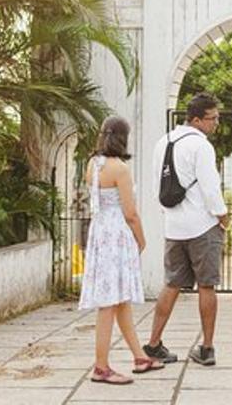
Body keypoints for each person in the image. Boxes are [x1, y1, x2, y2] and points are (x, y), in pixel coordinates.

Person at [143, 92, 229, 366]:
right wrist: (222, 215)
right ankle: (206, 348)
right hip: (202, 226)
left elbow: (158, 183)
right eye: (212, 118)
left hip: (174, 226)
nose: (216, 123)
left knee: (171, 284)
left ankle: (154, 344)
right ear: (195, 119)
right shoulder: (201, 146)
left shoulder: (162, 142)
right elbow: (210, 186)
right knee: (207, 285)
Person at [78, 116, 165, 385]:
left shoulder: (93, 164)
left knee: (119, 299)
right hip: (116, 233)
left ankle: (140, 357)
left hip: (99, 230)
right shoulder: (120, 168)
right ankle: (101, 367)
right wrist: (141, 240)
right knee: (108, 302)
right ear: (123, 138)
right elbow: (130, 213)